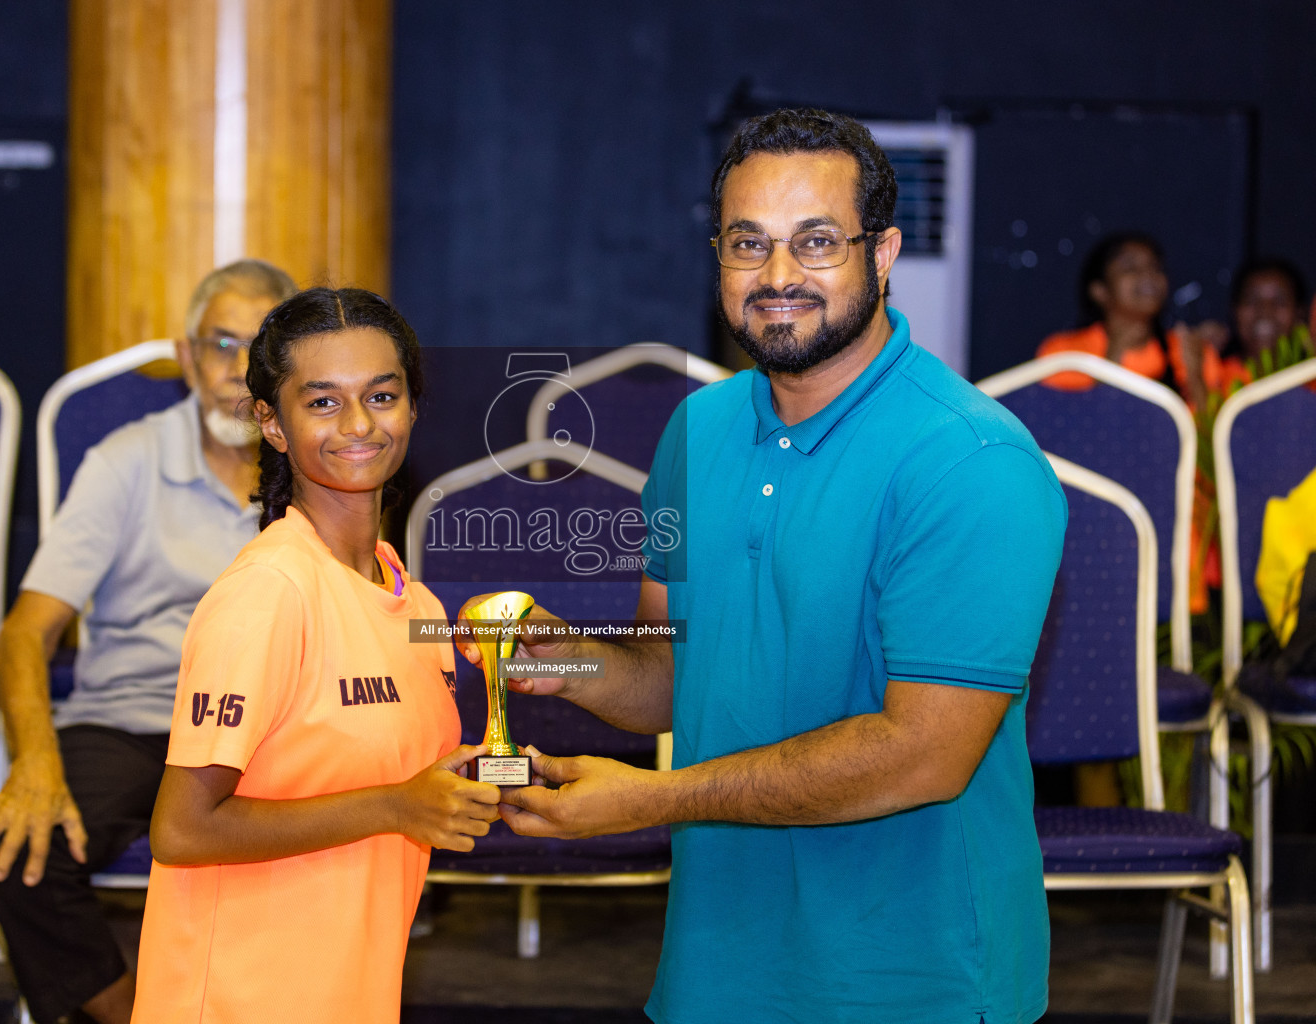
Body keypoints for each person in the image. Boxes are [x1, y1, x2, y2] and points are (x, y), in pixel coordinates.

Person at [468, 109, 1068, 1023]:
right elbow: (679, 676)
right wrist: (544, 654)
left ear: (884, 252)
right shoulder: (697, 429)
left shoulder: (974, 462)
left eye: (816, 242)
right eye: (748, 244)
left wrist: (652, 799)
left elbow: (922, 756)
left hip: (914, 977)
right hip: (719, 967)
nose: (778, 276)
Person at [131, 287, 498, 1024]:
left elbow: (414, 783)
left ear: (413, 407)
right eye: (322, 402)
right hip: (236, 999)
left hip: (351, 993)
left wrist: (509, 779)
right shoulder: (266, 593)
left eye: (382, 395)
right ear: (271, 422)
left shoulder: (415, 605)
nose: (359, 424)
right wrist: (396, 805)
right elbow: (181, 828)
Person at [0, 259, 296, 1024]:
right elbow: (24, 634)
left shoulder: (318, 470)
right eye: (221, 344)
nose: (238, 372)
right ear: (185, 355)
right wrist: (33, 769)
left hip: (266, 731)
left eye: (261, 349)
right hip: (131, 718)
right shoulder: (123, 461)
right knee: (11, 857)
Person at [1036, 232, 1229, 409]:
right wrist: (1112, 357)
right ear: (1099, 291)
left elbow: (1214, 441)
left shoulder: (1193, 351)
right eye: (1130, 267)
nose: (1148, 275)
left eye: (1155, 267)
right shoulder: (1064, 355)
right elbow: (1066, 432)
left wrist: (1195, 379)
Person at [1220, 256, 1309, 381]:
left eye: (1280, 301)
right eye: (1252, 300)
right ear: (1234, 310)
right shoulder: (1214, 378)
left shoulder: (1310, 380)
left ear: (1299, 314)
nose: (1265, 311)